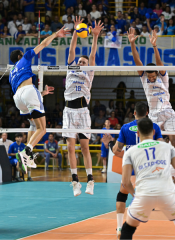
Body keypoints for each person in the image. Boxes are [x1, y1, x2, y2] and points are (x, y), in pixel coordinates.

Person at [120, 117, 175, 240]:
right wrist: (172, 187)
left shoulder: (130, 152)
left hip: (144, 194)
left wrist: (134, 194)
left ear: (138, 133)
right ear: (154, 132)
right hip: (168, 193)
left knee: (127, 230)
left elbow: (125, 182)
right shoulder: (167, 147)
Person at [107, 102, 172, 239]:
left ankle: (119, 227)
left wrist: (111, 145)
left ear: (134, 113)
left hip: (131, 164)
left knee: (122, 194)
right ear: (147, 112)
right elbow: (160, 145)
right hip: (148, 165)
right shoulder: (153, 127)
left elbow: (117, 150)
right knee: (164, 196)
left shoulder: (125, 127)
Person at [9, 26, 69, 174]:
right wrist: (56, 34)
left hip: (17, 98)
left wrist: (40, 93)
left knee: (33, 126)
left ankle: (27, 155)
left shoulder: (11, 73)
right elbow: (43, 44)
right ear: (19, 56)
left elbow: (22, 91)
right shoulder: (24, 58)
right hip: (28, 92)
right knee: (43, 129)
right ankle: (26, 152)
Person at [128, 28, 175, 158]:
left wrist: (154, 46)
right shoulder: (144, 78)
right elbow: (137, 62)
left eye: (153, 76)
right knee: (153, 142)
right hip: (154, 114)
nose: (151, 78)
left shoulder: (162, 77)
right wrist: (132, 43)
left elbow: (159, 63)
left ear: (157, 73)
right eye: (150, 77)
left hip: (168, 112)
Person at [63, 16, 104, 197]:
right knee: (70, 147)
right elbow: (72, 49)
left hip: (82, 111)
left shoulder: (89, 72)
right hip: (68, 111)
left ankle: (90, 180)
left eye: (83, 62)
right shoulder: (71, 68)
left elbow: (93, 55)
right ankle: (75, 181)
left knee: (84, 147)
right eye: (80, 61)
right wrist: (74, 32)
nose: (81, 63)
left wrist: (95, 36)